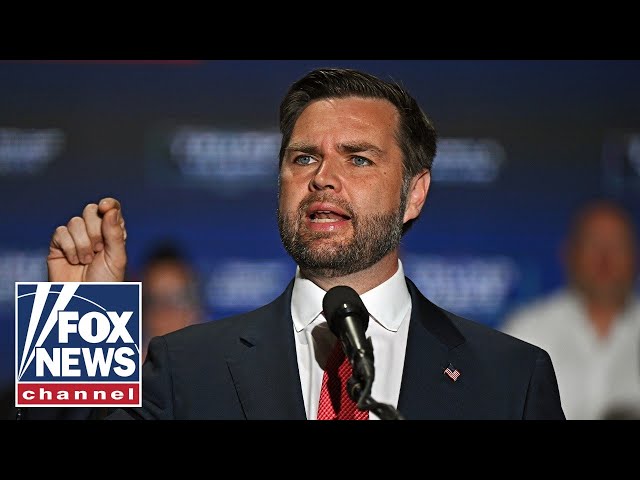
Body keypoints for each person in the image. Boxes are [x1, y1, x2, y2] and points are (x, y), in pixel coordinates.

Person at [43, 67, 565, 419]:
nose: (323, 178)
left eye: (358, 159)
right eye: (303, 157)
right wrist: (73, 317)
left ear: (414, 193)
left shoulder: (510, 379)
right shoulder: (186, 369)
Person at [501, 199, 640, 420]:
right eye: (593, 244)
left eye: (616, 245)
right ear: (569, 254)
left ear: (635, 255)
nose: (605, 259)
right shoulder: (527, 331)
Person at [138, 241, 206, 362]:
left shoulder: (219, 372)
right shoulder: (123, 372)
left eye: (178, 299)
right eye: (156, 301)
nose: (167, 312)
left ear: (196, 309)